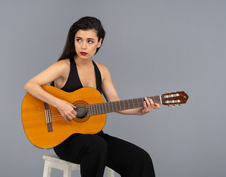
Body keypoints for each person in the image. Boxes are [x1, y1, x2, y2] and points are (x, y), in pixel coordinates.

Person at [24, 16, 160, 177]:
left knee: (140, 158)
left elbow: (115, 103)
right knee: (97, 146)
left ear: (99, 42)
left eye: (90, 41)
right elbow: (30, 85)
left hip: (95, 137)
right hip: (65, 140)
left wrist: (140, 111)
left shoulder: (102, 71)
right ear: (73, 41)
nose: (83, 46)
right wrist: (60, 104)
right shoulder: (63, 67)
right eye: (79, 39)